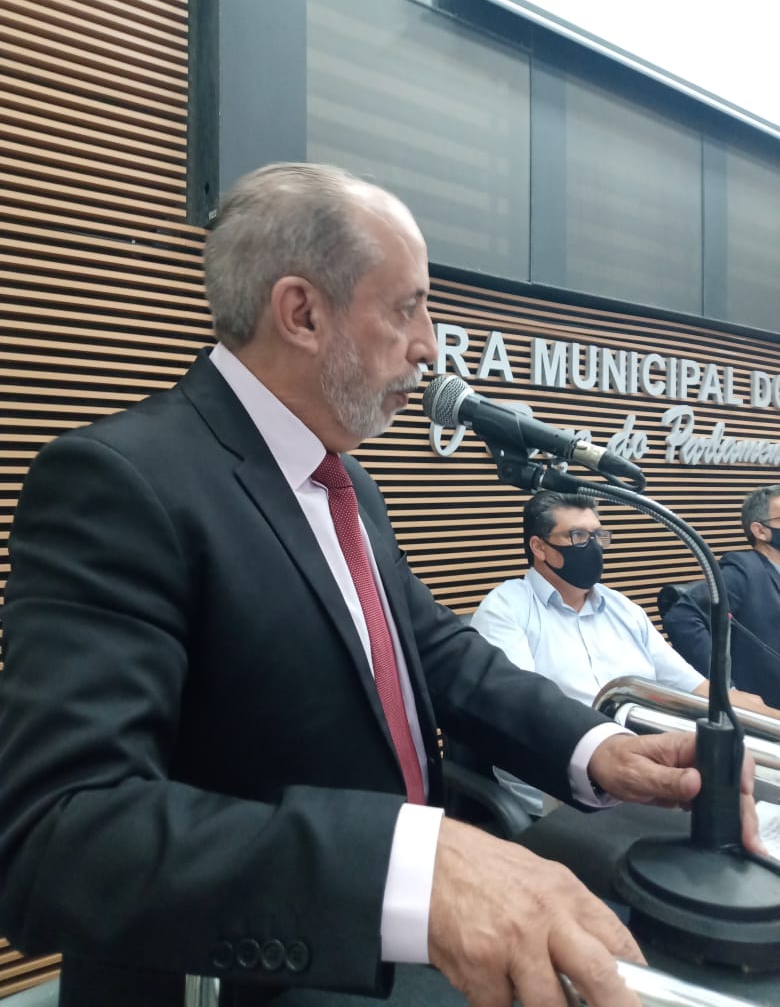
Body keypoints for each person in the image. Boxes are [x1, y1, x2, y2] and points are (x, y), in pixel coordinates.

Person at [0, 164, 760, 1007]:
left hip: (384, 958)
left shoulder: (347, 482)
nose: (432, 345)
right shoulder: (120, 482)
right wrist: (410, 870)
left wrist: (598, 749)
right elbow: (59, 834)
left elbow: (432, 653)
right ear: (302, 313)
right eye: (407, 307)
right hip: (242, 978)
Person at [471, 491, 779, 813]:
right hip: (564, 785)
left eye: (598, 535)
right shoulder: (505, 609)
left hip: (651, 773)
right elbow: (526, 714)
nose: (592, 546)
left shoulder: (622, 608)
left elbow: (700, 690)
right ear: (539, 547)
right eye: (578, 536)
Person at [663, 484, 780, 708]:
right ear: (761, 531)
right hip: (766, 713)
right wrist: (725, 688)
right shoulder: (744, 570)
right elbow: (682, 617)